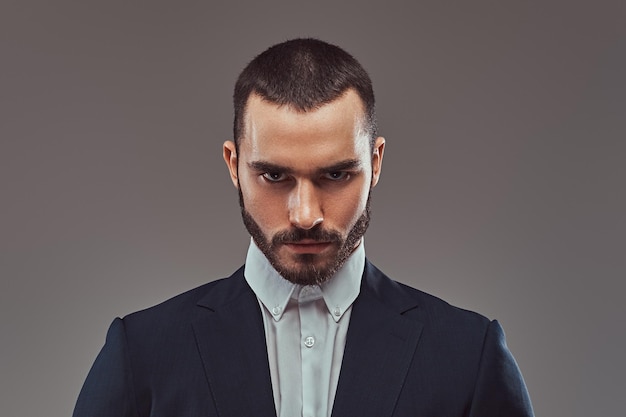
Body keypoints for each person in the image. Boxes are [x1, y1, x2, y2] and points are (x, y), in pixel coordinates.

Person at [73, 38, 534, 417]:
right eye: (274, 176)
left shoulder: (468, 356)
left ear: (375, 164)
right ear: (234, 165)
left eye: (335, 175)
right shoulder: (142, 352)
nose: (305, 214)